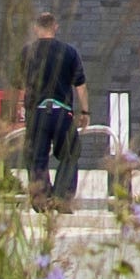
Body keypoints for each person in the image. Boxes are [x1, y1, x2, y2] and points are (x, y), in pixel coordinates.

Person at [22, 12, 88, 208]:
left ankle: (41, 198)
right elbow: (80, 85)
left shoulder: (28, 52)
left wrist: (17, 111)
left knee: (36, 157)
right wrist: (85, 112)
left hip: (37, 112)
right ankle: (61, 198)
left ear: (36, 28)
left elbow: (19, 86)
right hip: (62, 112)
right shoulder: (69, 52)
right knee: (70, 153)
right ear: (55, 27)